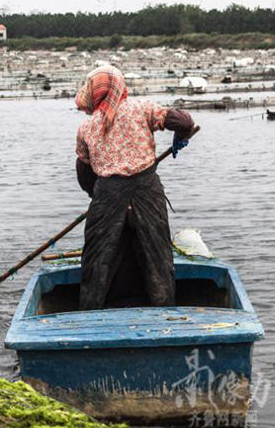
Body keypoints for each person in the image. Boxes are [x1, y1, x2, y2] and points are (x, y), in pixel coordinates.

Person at [74, 65, 195, 311]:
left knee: (97, 258)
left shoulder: (87, 127)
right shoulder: (142, 109)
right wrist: (181, 136)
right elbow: (184, 121)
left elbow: (84, 172)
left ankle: (90, 311)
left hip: (108, 195)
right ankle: (164, 311)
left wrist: (98, 197)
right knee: (157, 255)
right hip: (146, 191)